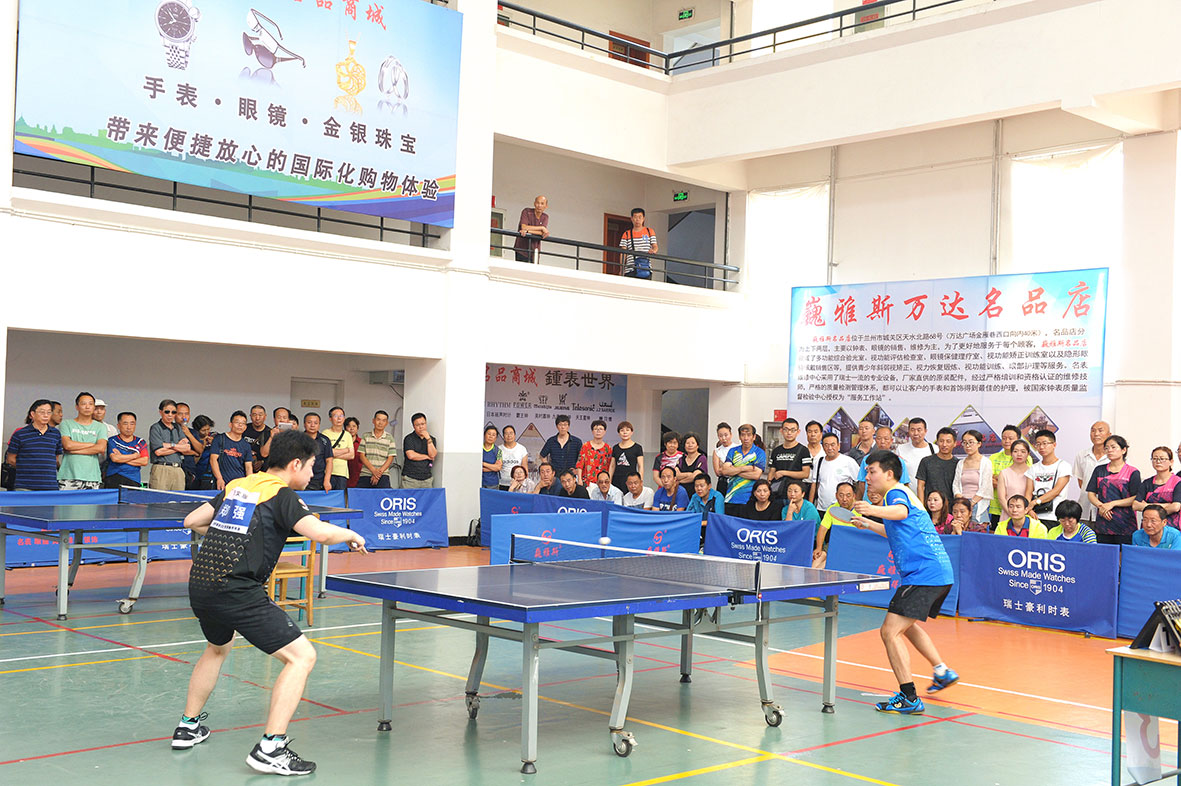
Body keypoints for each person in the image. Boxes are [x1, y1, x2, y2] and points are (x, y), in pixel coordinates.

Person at [174, 429, 368, 775]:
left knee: (217, 648)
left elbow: (192, 521)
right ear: (295, 464)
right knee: (302, 657)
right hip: (237, 590)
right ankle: (271, 747)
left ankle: (188, 726)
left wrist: (232, 535)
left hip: (202, 585)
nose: (312, 473)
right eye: (311, 466)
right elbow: (321, 533)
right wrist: (351, 534)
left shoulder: (240, 485)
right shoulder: (281, 495)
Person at [851, 451, 958, 713]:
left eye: (872, 471)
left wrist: (871, 509)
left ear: (889, 474)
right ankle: (941, 670)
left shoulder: (895, 493)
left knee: (889, 632)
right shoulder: (901, 495)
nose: (867, 477)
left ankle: (909, 697)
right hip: (935, 573)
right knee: (906, 625)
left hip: (925, 573)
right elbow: (896, 529)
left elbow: (900, 512)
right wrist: (868, 523)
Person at [1085, 434, 1141, 545]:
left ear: (1123, 450)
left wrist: (1112, 504)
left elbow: (1135, 498)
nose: (1110, 450)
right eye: (1107, 448)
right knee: (1104, 552)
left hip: (1125, 523)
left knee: (1123, 553)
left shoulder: (1132, 472)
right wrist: (1102, 506)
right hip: (1103, 522)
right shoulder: (1099, 470)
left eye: (1113, 447)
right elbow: (1091, 494)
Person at [5, 399, 64, 490]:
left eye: (49, 412)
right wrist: (29, 468)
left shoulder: (56, 434)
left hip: (49, 486)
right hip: (25, 486)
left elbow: (55, 459)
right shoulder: (20, 434)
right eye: (42, 412)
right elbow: (10, 460)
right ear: (32, 414)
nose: (46, 415)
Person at [57, 391, 108, 490]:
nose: (87, 407)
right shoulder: (66, 424)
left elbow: (101, 448)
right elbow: (67, 445)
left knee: (91, 501)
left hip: (92, 477)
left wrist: (73, 451)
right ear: (77, 407)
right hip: (68, 475)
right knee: (66, 501)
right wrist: (92, 445)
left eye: (90, 404)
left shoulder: (101, 427)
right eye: (84, 404)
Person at [1024, 430, 1073, 530]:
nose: (1041, 447)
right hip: (1035, 516)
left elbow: (1056, 491)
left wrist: (1035, 502)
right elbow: (1028, 493)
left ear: (1054, 445)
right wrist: (1029, 509)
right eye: (1038, 444)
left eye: (1045, 443)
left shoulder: (1063, 466)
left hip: (1054, 516)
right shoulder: (1033, 468)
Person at [721, 423, 766, 515]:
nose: (746, 438)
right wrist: (746, 468)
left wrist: (734, 470)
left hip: (749, 499)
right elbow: (724, 471)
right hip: (731, 497)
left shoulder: (759, 453)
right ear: (739, 437)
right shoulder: (733, 451)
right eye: (743, 435)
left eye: (749, 435)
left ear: (754, 437)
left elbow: (756, 475)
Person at [1133, 446, 1181, 529]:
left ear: (1171, 462)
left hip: (1171, 527)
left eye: (1162, 459)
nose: (1158, 461)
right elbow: (1135, 505)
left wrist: (1147, 506)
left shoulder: (1177, 482)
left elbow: (1175, 507)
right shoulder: (1146, 483)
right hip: (1149, 528)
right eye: (1155, 459)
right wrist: (1166, 505)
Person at [149, 399, 193, 491]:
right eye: (167, 412)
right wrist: (178, 446)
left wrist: (171, 445)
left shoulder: (177, 427)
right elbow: (159, 451)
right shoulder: (155, 428)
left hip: (178, 468)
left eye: (173, 412)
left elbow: (187, 448)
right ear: (160, 412)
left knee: (178, 498)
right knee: (159, 498)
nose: (170, 415)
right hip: (162, 468)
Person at [952, 429, 992, 527]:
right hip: (961, 505)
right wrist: (960, 500)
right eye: (965, 443)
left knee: (977, 532)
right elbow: (955, 484)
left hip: (978, 504)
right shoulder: (960, 463)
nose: (967, 445)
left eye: (971, 442)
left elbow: (985, 486)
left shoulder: (985, 462)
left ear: (979, 444)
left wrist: (971, 503)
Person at [1073, 420, 1111, 526]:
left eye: (1100, 430)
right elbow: (1081, 482)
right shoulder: (1081, 455)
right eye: (1093, 431)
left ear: (1109, 434)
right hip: (1085, 507)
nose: (1096, 434)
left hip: (1108, 509)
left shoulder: (1115, 456)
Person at [812, 482, 858, 568]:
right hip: (834, 543)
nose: (844, 499)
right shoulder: (832, 508)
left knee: (822, 566)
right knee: (815, 562)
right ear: (836, 496)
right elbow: (823, 529)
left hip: (851, 546)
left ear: (854, 496)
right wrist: (819, 547)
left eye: (848, 495)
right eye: (841, 495)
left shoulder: (861, 509)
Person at [856, 426, 910, 499]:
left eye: (886, 439)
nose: (882, 442)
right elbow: (862, 483)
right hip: (869, 500)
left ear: (891, 440)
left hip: (890, 501)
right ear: (875, 440)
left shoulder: (899, 461)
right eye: (879, 438)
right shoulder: (867, 459)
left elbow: (904, 484)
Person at [809, 433, 859, 510]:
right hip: (821, 508)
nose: (829, 448)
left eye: (833, 445)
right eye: (826, 445)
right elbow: (814, 484)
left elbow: (859, 483)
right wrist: (810, 507)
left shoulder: (849, 461)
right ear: (823, 447)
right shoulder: (819, 462)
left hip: (842, 509)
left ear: (838, 446)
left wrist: (856, 503)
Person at [210, 411, 254, 491]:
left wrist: (249, 483)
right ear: (230, 424)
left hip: (240, 485)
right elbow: (213, 459)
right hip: (223, 484)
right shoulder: (220, 439)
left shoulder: (246, 445)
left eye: (243, 423)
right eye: (237, 422)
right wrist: (219, 478)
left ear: (245, 427)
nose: (240, 425)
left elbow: (248, 467)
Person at [767, 419, 810, 501]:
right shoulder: (776, 451)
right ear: (781, 431)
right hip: (777, 493)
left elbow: (805, 474)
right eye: (786, 429)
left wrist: (783, 472)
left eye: (793, 430)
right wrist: (768, 488)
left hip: (794, 495)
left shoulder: (803, 450)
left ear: (798, 432)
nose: (789, 433)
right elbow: (771, 472)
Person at [105, 411, 150, 489]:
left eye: (132, 424)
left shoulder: (141, 442)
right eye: (125, 423)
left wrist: (122, 457)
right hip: (114, 477)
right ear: (118, 426)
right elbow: (115, 458)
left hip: (134, 479)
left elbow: (144, 461)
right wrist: (134, 456)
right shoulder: (112, 440)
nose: (129, 427)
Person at [916, 427, 959, 504]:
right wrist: (921, 507)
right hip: (930, 506)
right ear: (937, 442)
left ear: (955, 443)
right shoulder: (926, 461)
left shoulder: (958, 464)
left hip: (951, 507)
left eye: (948, 441)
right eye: (941, 441)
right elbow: (920, 486)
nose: (944, 444)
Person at [356, 411, 397, 488]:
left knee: (383, 495)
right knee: (361, 495)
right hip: (366, 473)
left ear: (386, 423)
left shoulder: (390, 438)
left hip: (383, 475)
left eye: (383, 420)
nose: (380, 423)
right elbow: (362, 456)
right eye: (378, 419)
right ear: (373, 421)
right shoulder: (365, 436)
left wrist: (378, 473)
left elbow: (390, 458)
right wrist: (373, 470)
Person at [895, 418, 934, 495]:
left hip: (930, 496)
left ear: (925, 431)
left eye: (919, 430)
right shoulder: (900, 449)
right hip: (907, 495)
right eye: (912, 430)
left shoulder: (934, 449)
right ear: (908, 431)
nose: (916, 433)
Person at [321, 407, 354, 491]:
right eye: (335, 416)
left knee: (340, 496)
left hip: (342, 473)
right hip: (328, 473)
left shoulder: (347, 435)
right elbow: (325, 453)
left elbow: (351, 455)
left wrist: (332, 454)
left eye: (341, 416)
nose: (339, 418)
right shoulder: (325, 433)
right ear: (330, 419)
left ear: (344, 418)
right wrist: (345, 450)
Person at [996, 439, 1033, 514]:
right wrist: (1012, 513)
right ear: (1011, 453)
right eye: (1015, 451)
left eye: (1023, 451)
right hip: (1008, 514)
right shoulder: (1004, 473)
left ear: (1028, 454)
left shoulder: (1032, 472)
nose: (1019, 454)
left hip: (1027, 514)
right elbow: (1001, 498)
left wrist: (1023, 513)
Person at [401, 412, 437, 489]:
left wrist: (428, 439)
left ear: (426, 424)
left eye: (423, 424)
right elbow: (411, 455)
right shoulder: (409, 438)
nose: (421, 427)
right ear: (413, 426)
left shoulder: (431, 439)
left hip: (427, 479)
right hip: (410, 479)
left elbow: (433, 455)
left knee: (427, 497)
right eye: (417, 425)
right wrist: (427, 457)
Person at [620, 207, 658, 279]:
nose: (637, 219)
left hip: (645, 268)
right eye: (635, 217)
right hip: (630, 269)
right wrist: (621, 269)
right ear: (631, 219)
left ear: (643, 218)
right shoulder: (626, 234)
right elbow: (623, 253)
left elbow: (655, 246)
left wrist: (653, 251)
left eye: (640, 217)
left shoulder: (649, 231)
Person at [301, 413, 334, 492]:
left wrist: (327, 480)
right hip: (301, 478)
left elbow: (329, 461)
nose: (312, 425)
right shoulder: (298, 439)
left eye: (315, 423)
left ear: (319, 425)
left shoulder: (325, 440)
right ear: (304, 424)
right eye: (309, 422)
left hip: (319, 480)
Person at [609, 420, 644, 494]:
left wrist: (640, 481)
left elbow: (640, 466)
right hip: (616, 480)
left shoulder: (637, 447)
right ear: (619, 433)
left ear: (632, 432)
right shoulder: (615, 448)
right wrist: (609, 480)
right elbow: (612, 466)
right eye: (622, 430)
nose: (625, 432)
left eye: (627, 430)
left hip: (631, 481)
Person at [575, 420, 612, 488]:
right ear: (592, 431)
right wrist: (579, 480)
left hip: (602, 483)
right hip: (587, 482)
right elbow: (580, 465)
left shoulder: (608, 448)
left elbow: (610, 466)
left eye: (601, 429)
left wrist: (609, 481)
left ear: (604, 431)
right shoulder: (586, 446)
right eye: (596, 429)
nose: (598, 431)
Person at [513, 195, 550, 263]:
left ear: (546, 206)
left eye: (542, 203)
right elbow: (524, 227)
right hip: (521, 248)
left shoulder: (545, 217)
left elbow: (542, 233)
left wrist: (528, 231)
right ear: (534, 203)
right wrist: (542, 228)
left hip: (535, 250)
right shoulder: (527, 211)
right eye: (538, 203)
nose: (539, 205)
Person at [675, 432, 708, 498]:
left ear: (697, 445)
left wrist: (680, 481)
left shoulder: (702, 458)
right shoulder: (681, 459)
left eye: (693, 443)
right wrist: (689, 474)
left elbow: (695, 476)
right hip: (681, 494)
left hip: (697, 494)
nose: (690, 445)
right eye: (687, 443)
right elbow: (676, 475)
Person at [189, 415, 217, 490]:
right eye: (203, 430)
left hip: (212, 473)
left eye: (208, 429)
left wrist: (215, 443)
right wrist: (203, 445)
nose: (206, 432)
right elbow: (195, 460)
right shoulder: (193, 439)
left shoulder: (215, 436)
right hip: (198, 473)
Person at [497, 425, 528, 490]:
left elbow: (525, 467)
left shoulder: (522, 449)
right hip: (502, 483)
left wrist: (523, 483)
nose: (509, 436)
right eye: (506, 433)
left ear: (515, 435)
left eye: (511, 433)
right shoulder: (498, 449)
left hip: (518, 483)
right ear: (503, 436)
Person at [801, 420, 825, 500]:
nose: (813, 434)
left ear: (821, 434)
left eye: (815, 432)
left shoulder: (826, 451)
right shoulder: (801, 450)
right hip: (803, 485)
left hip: (820, 486)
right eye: (810, 432)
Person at [712, 422, 735, 497]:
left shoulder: (738, 447)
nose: (724, 438)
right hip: (723, 483)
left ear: (731, 434)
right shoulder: (717, 451)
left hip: (736, 482)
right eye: (720, 436)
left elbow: (740, 467)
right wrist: (732, 468)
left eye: (726, 435)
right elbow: (717, 472)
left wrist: (723, 466)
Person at [481, 425, 503, 490]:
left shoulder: (498, 451)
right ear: (484, 435)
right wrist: (492, 467)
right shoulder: (478, 449)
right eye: (489, 434)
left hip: (492, 483)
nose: (491, 436)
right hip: (478, 481)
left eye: (493, 435)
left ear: (496, 438)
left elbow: (498, 467)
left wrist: (483, 463)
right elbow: (474, 465)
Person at [343, 417, 363, 487]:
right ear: (345, 428)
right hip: (344, 475)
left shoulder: (362, 442)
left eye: (354, 426)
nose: (351, 429)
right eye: (349, 426)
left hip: (359, 476)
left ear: (357, 428)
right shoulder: (342, 443)